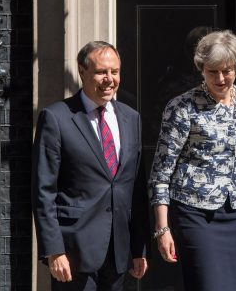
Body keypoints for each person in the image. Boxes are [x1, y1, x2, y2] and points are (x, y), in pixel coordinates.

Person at [32, 41, 149, 290]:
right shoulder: (56, 118)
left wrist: (139, 248)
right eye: (101, 72)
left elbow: (136, 187)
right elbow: (43, 191)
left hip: (118, 251)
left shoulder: (131, 118)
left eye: (114, 72)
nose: (109, 79)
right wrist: (53, 250)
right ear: (82, 72)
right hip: (73, 251)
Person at [148, 30, 236, 290]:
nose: (220, 78)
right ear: (201, 69)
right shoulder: (182, 107)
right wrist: (162, 229)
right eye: (212, 71)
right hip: (194, 214)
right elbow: (161, 172)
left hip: (233, 214)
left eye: (227, 71)